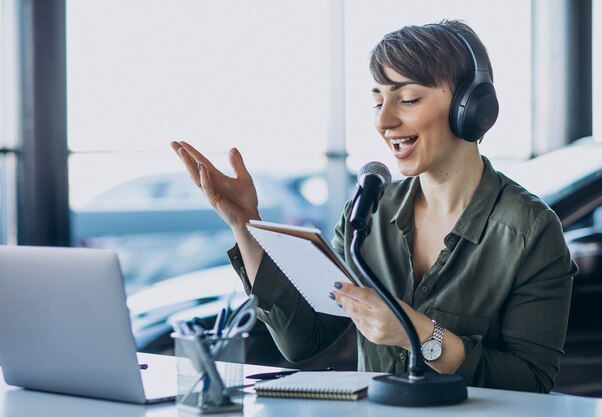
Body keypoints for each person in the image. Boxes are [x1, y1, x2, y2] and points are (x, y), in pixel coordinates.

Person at [171, 19, 577, 393]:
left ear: (470, 108)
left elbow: (531, 382)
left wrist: (419, 334)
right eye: (377, 100)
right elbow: (304, 340)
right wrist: (245, 225)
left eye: (409, 99)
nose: (384, 121)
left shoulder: (530, 230)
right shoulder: (370, 212)